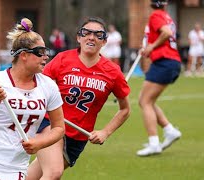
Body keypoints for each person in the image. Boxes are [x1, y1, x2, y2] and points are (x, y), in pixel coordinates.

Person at [0, 18, 65, 180]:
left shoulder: (48, 86)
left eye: (46, 52)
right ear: (23, 55)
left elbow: (59, 128)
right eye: (40, 52)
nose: (45, 57)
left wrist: (40, 143)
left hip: (15, 166)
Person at [27, 17, 131, 179]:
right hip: (51, 124)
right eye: (86, 33)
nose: (91, 37)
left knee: (32, 176)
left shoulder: (113, 72)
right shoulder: (62, 59)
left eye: (98, 35)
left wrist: (105, 132)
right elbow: (38, 84)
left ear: (104, 41)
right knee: (54, 173)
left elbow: (125, 110)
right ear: (79, 37)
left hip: (78, 136)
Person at [137, 0, 182, 157]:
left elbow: (166, 33)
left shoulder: (156, 15)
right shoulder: (166, 15)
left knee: (144, 101)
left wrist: (151, 46)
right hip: (169, 61)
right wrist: (149, 48)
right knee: (147, 100)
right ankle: (169, 131)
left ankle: (154, 143)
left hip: (165, 62)